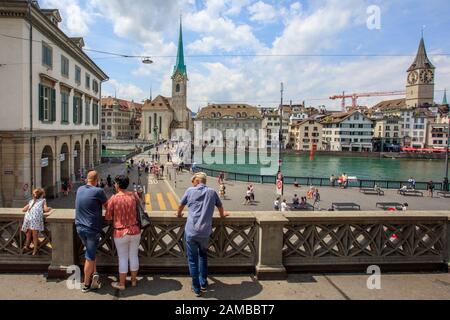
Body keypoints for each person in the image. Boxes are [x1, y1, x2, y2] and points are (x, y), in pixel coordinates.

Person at [176, 172, 228, 297]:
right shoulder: (212, 192)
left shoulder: (190, 191)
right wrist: (222, 215)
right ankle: (203, 282)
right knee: (203, 255)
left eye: (193, 180)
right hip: (205, 232)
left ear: (198, 180)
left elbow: (180, 206)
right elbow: (220, 207)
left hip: (192, 231)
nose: (192, 183)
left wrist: (178, 215)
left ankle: (196, 288)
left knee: (192, 260)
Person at [105, 175, 141, 291]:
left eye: (115, 183)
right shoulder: (134, 196)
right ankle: (134, 281)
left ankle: (122, 284)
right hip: (135, 230)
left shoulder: (114, 198)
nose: (114, 185)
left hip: (120, 232)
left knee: (123, 258)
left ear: (118, 185)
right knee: (134, 256)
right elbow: (141, 209)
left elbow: (108, 216)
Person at [75, 171, 108, 293]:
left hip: (79, 227)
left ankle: (95, 274)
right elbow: (108, 206)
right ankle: (87, 284)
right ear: (97, 180)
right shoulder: (98, 191)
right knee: (89, 256)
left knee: (90, 252)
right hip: (91, 228)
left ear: (86, 179)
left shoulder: (79, 189)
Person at [21, 188, 52, 256]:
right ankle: (35, 250)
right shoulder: (43, 200)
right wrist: (50, 208)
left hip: (27, 218)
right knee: (35, 236)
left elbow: (23, 210)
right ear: (42, 195)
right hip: (35, 219)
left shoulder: (31, 201)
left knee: (28, 234)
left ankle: (26, 246)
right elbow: (46, 209)